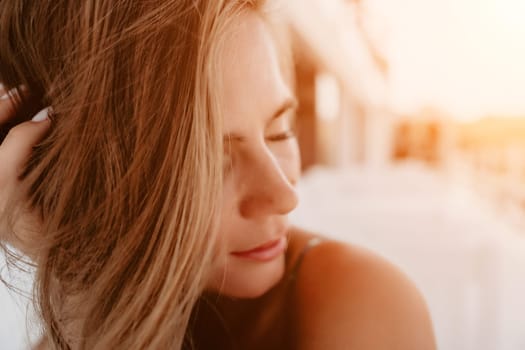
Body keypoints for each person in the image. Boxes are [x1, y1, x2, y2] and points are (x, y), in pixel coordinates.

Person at [0, 1, 437, 349]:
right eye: (210, 158)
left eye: (279, 132)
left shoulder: (362, 303)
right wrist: (74, 269)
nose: (284, 196)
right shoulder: (67, 333)